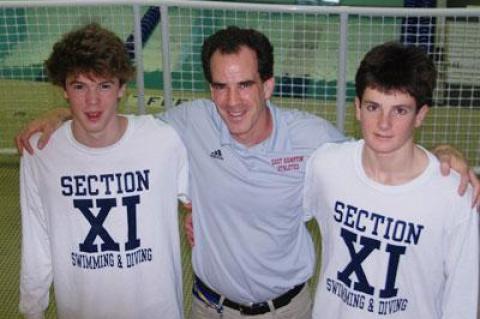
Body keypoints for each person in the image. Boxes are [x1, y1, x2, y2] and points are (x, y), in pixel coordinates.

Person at [16, 27, 480, 319]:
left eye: (245, 85)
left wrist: (443, 153)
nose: (233, 102)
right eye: (220, 86)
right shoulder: (188, 125)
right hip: (207, 306)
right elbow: (111, 124)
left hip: (289, 310)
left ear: (268, 85)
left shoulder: (317, 144)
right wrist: (60, 116)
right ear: (209, 89)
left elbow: (384, 152)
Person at [19, 23, 188, 319]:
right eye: (80, 86)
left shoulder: (164, 141)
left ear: (122, 88)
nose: (92, 101)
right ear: (64, 90)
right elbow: (37, 242)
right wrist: (32, 310)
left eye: (104, 85)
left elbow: (203, 201)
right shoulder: (41, 152)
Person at [303, 42, 479, 319]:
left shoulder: (454, 195)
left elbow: (462, 304)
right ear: (358, 108)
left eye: (399, 110)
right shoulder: (326, 166)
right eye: (373, 107)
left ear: (421, 115)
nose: (383, 124)